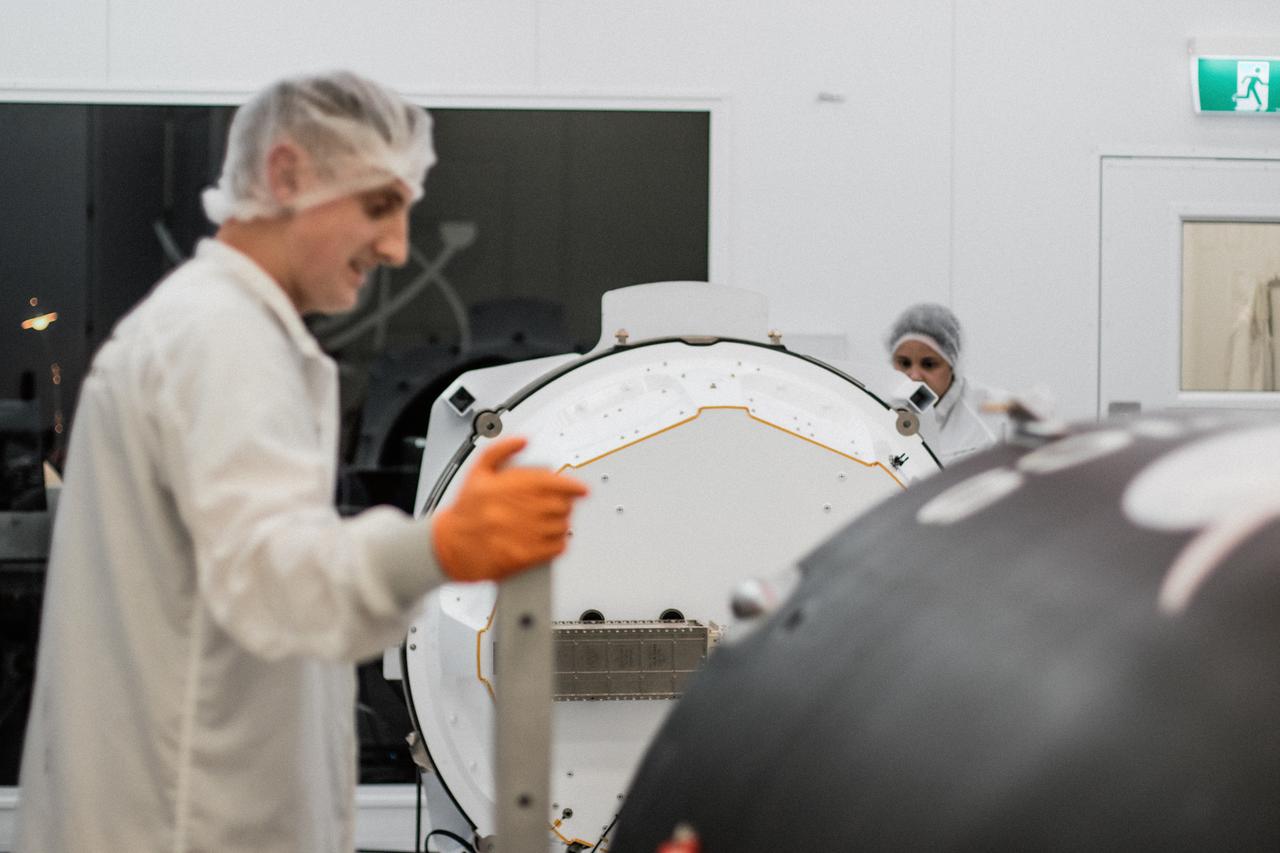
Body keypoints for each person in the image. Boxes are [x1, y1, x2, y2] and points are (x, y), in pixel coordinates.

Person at [14, 70, 589, 853]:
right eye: (379, 206)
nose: (395, 246)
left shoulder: (226, 331)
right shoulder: (221, 339)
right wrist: (441, 546)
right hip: (182, 824)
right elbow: (273, 575)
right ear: (286, 175)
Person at [886, 302, 1005, 465]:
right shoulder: (877, 413)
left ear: (952, 364)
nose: (914, 376)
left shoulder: (994, 416)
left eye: (928, 364)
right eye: (904, 363)